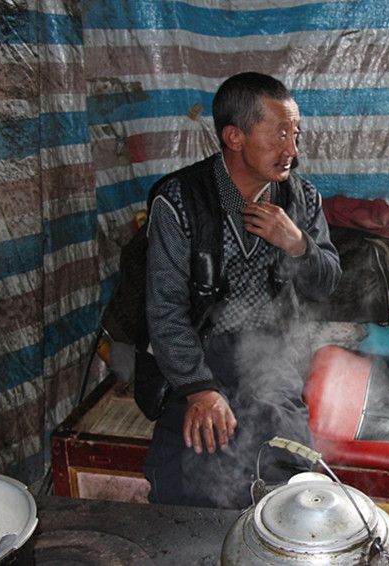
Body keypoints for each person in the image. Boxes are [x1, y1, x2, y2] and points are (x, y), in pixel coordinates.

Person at [142, 72, 341, 509]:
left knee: (287, 475)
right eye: (280, 134)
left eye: (295, 134)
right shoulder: (179, 201)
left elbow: (328, 284)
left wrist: (298, 244)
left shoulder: (302, 199)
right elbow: (165, 310)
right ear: (234, 137)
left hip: (270, 357)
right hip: (197, 354)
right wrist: (199, 389)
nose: (292, 149)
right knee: (188, 480)